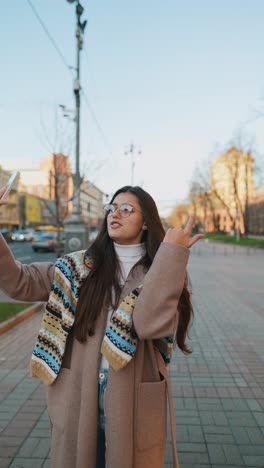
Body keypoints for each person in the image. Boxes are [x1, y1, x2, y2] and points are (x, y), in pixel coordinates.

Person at [0, 185, 203, 468]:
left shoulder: (163, 271)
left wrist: (171, 255)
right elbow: (19, 282)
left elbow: (146, 324)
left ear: (146, 222)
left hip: (133, 398)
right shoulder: (77, 267)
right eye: (111, 207)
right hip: (78, 392)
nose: (114, 214)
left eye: (126, 209)